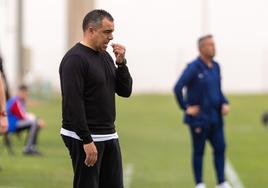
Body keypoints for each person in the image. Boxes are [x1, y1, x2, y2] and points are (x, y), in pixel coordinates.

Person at [59, 9, 132, 188]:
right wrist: (86, 140)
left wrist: (121, 64)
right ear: (91, 30)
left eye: (112, 32)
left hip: (108, 134)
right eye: (107, 32)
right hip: (85, 137)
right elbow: (72, 104)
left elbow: (125, 90)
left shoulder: (105, 56)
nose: (111, 37)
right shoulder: (75, 60)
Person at [174, 35, 232, 188]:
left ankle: (221, 182)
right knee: (199, 151)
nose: (214, 47)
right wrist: (186, 108)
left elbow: (217, 90)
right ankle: (199, 183)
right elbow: (178, 88)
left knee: (220, 148)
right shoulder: (193, 67)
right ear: (201, 48)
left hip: (216, 118)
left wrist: (225, 102)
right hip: (199, 119)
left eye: (214, 44)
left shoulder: (216, 66)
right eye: (210, 45)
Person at [6, 84, 44, 155]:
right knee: (34, 123)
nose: (26, 95)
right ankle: (28, 148)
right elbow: (22, 116)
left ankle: (32, 147)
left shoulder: (20, 101)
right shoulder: (15, 101)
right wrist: (36, 120)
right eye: (25, 93)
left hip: (15, 123)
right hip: (11, 124)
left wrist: (36, 119)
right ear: (20, 92)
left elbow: (24, 114)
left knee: (35, 123)